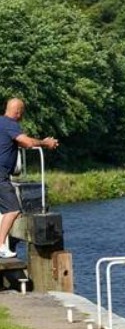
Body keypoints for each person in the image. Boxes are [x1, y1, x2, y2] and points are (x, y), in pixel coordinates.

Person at [0, 98, 59, 258]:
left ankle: (6, 242)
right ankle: (1, 246)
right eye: (22, 112)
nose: (22, 116)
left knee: (8, 212)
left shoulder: (1, 123)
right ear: (18, 112)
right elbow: (26, 142)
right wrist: (45, 143)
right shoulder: (11, 124)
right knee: (12, 210)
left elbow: (12, 143)